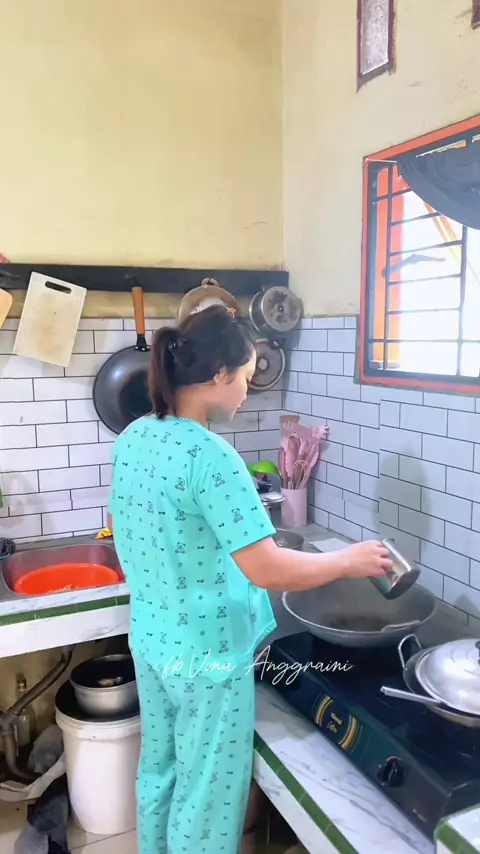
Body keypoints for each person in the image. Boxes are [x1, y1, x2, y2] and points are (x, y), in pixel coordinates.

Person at [107, 304, 392, 854]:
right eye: (246, 375)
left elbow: (123, 527)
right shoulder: (212, 456)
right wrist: (349, 560)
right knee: (207, 794)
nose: (247, 390)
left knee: (161, 769)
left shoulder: (136, 435)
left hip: (152, 639)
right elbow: (268, 567)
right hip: (207, 658)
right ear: (218, 374)